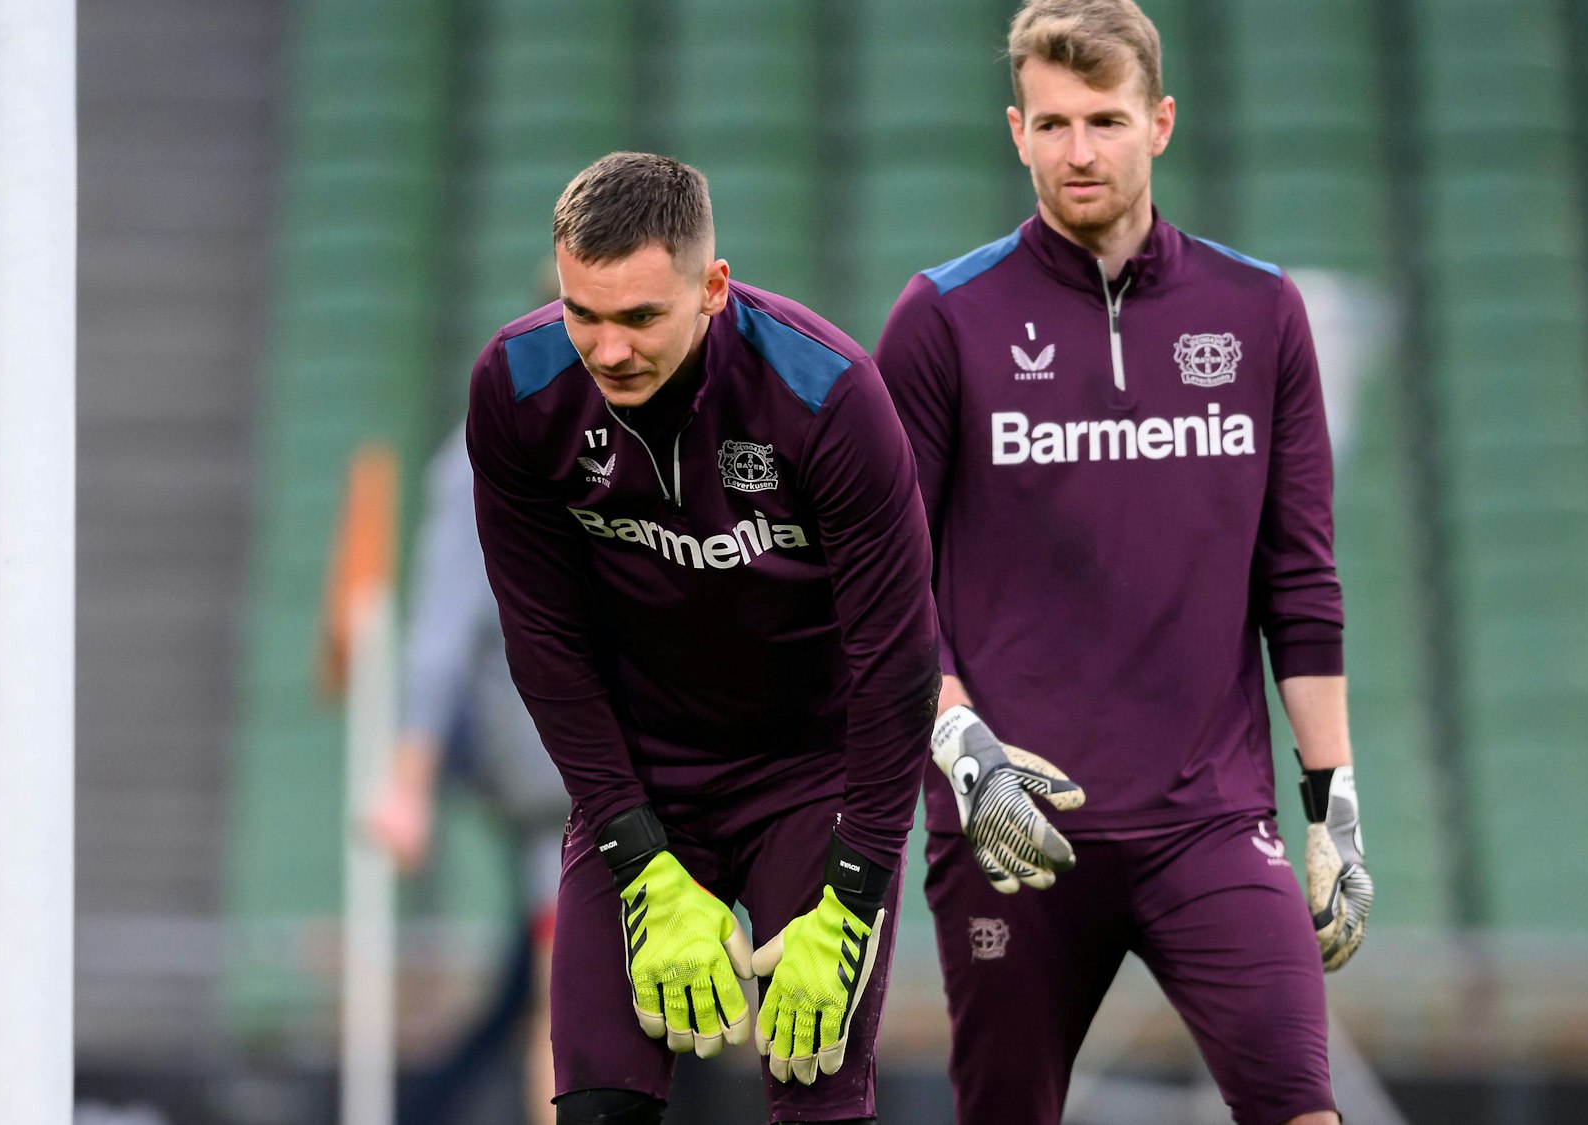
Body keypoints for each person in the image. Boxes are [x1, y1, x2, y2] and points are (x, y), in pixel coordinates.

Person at [873, 4, 1371, 1123]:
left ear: (1161, 122)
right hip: (1014, 826)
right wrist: (962, 751)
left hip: (1209, 819)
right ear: (1014, 132)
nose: (1079, 151)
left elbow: (1298, 578)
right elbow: (882, 587)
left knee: (1302, 1108)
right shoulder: (943, 319)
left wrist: (1332, 808)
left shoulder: (1257, 313)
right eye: (1051, 123)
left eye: (1105, 119)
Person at [467, 151, 938, 1125]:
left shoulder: (830, 398)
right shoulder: (515, 389)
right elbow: (544, 643)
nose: (606, 350)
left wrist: (851, 897)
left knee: (817, 1100)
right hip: (640, 775)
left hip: (810, 777)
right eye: (581, 313)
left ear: (712, 288)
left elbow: (896, 668)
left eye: (639, 317)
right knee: (594, 1106)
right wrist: (639, 857)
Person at [365, 422, 571, 1124]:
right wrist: (408, 783)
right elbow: (440, 631)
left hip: (666, 773)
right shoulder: (488, 451)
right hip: (569, 785)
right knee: (574, 1004)